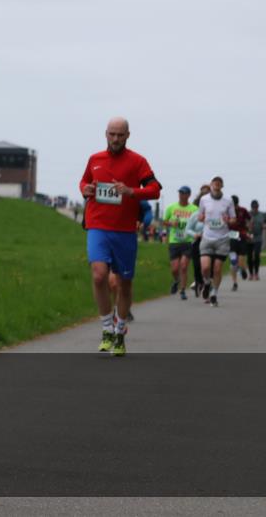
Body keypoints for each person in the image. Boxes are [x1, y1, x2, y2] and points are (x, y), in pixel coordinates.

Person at [79, 117, 161, 356]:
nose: (115, 139)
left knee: (124, 284)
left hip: (124, 231)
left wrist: (130, 191)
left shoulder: (138, 162)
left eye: (120, 135)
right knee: (99, 275)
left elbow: (155, 189)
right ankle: (107, 327)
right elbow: (84, 181)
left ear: (128, 136)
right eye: (112, 134)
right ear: (105, 134)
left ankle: (120, 331)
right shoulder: (95, 159)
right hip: (98, 225)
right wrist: (85, 189)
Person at [196, 176, 235, 307]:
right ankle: (207, 283)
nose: (217, 185)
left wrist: (228, 220)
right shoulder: (204, 199)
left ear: (222, 186)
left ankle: (214, 294)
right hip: (207, 237)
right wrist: (201, 217)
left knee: (217, 269)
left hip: (222, 238)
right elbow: (200, 216)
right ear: (211, 185)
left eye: (219, 183)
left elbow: (233, 219)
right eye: (215, 183)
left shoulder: (228, 200)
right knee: (205, 268)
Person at [162, 186, 198, 299]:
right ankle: (176, 281)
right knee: (175, 269)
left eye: (184, 193)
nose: (181, 195)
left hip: (188, 241)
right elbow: (164, 221)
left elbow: (198, 223)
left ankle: (182, 290)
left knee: (183, 266)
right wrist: (171, 224)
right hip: (174, 241)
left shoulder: (194, 209)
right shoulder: (171, 207)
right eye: (180, 193)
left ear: (189, 195)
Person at [228, 195, 252, 291]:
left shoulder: (243, 210)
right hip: (231, 237)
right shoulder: (227, 211)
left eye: (235, 205)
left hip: (242, 236)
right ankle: (234, 283)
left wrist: (249, 230)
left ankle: (242, 269)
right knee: (233, 262)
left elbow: (249, 219)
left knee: (241, 259)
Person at [247, 200, 266, 280]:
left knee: (257, 255)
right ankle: (251, 274)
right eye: (253, 207)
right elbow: (244, 225)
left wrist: (264, 226)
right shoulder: (247, 214)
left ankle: (256, 273)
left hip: (258, 238)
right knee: (249, 256)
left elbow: (265, 224)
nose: (255, 209)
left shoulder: (261, 215)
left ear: (258, 207)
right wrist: (249, 225)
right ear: (251, 207)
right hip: (249, 238)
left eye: (256, 207)